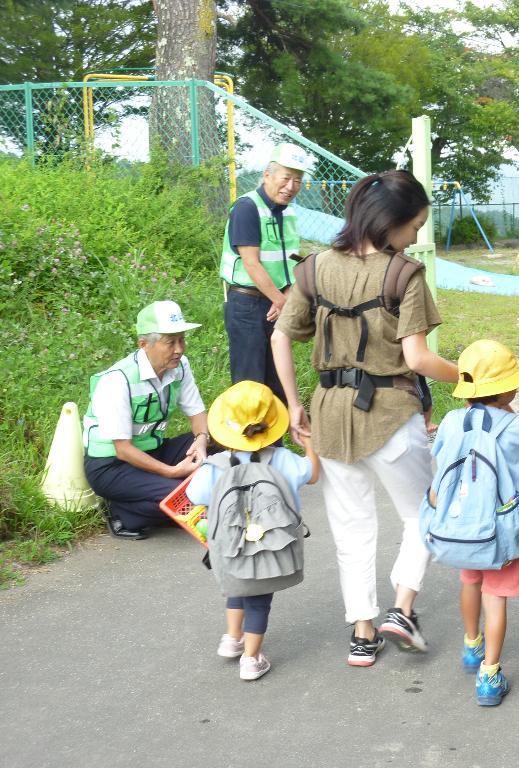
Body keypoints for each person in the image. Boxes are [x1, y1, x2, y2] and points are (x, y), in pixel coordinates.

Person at [270, 170, 459, 668]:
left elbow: (281, 337)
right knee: (426, 513)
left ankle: (362, 633)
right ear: (392, 222)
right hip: (392, 414)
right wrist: (468, 377)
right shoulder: (404, 274)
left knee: (351, 529)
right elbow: (418, 360)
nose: (416, 236)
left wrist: (293, 404)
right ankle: (401, 609)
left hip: (330, 415)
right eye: (415, 225)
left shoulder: (313, 269)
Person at [430, 339, 519, 706]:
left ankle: (470, 646)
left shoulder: (450, 420)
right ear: (504, 388)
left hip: (460, 527)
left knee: (470, 581)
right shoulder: (517, 425)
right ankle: (489, 677)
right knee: (496, 598)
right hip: (499, 530)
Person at [185, 380, 320, 681]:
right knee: (259, 599)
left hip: (230, 547)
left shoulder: (216, 465)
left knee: (236, 587)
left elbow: (194, 496)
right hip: (271, 546)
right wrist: (309, 443)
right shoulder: (282, 460)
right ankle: (251, 658)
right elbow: (312, 474)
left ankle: (233, 639)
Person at [83, 301, 209, 540]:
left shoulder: (180, 366)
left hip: (153, 451)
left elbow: (197, 413)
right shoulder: (117, 380)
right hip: (111, 465)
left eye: (181, 339)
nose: (179, 349)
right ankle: (121, 511)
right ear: (144, 345)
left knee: (218, 447)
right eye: (170, 342)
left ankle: (166, 502)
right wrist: (172, 472)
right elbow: (123, 450)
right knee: (183, 495)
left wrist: (201, 441)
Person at [221, 142, 315, 405]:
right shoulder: (247, 208)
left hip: (277, 302)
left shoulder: (290, 213)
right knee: (250, 383)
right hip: (246, 304)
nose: (291, 186)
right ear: (267, 175)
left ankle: (273, 444)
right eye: (286, 178)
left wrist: (288, 293)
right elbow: (251, 263)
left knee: (277, 380)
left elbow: (290, 261)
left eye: (298, 180)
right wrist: (282, 301)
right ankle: (247, 444)